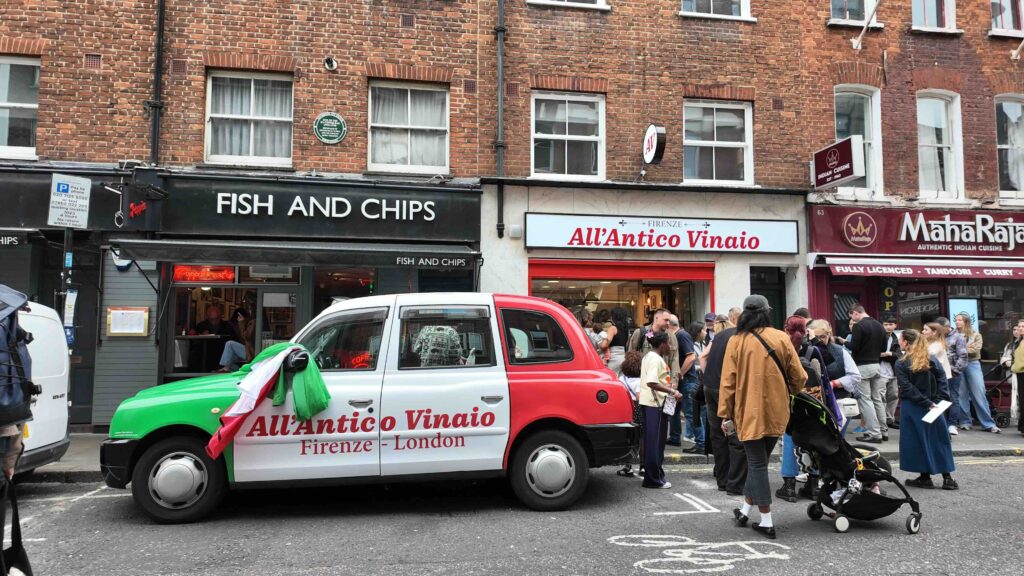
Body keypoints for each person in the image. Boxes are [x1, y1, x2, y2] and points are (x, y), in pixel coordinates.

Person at [720, 295, 806, 540]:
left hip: (748, 412)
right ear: (767, 312)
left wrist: (726, 416)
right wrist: (789, 389)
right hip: (778, 410)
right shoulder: (780, 337)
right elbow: (799, 376)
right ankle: (746, 511)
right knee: (759, 462)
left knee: (756, 464)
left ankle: (767, 521)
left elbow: (728, 383)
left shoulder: (736, 340)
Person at [896, 329, 958, 491]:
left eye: (901, 339)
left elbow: (907, 388)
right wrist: (938, 401)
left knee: (917, 441)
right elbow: (943, 381)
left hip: (913, 406)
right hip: (935, 405)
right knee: (939, 440)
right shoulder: (932, 359)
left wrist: (926, 402)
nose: (899, 341)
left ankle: (925, 478)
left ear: (906, 343)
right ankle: (947, 479)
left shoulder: (901, 363)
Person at [702, 317, 746, 494]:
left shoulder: (720, 335)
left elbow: (702, 356)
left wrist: (707, 376)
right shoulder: (742, 337)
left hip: (710, 386)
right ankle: (734, 484)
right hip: (725, 388)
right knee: (734, 436)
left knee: (718, 435)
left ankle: (722, 480)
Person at [639, 331, 683, 489]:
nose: (670, 347)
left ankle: (655, 476)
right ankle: (653, 479)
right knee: (655, 443)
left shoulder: (649, 356)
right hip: (654, 404)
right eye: (668, 343)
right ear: (662, 343)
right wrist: (672, 391)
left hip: (650, 403)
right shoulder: (656, 359)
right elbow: (652, 382)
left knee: (653, 441)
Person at [776, 310, 810, 503]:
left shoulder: (781, 349)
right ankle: (813, 484)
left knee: (789, 440)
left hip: (788, 400)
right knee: (813, 441)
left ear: (785, 329)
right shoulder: (814, 349)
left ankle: (789, 487)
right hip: (812, 402)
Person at [954, 313, 1000, 434]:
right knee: (961, 394)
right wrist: (965, 348)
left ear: (966, 322)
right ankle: (964, 422)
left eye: (960, 320)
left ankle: (988, 423)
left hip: (972, 364)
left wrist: (959, 348)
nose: (957, 322)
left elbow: (975, 350)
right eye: (956, 320)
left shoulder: (975, 334)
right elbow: (949, 349)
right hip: (958, 365)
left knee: (979, 393)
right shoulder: (953, 334)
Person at [847, 305, 887, 443]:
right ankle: (883, 431)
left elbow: (854, 346)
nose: (852, 319)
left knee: (865, 400)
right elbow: (883, 348)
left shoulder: (859, 326)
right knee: (877, 399)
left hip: (862, 366)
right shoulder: (879, 325)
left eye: (852, 316)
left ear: (856, 313)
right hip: (876, 365)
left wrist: (844, 342)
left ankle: (874, 434)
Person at [628, 308, 680, 384]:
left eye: (669, 321)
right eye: (666, 320)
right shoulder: (640, 333)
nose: (668, 323)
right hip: (642, 380)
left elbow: (675, 360)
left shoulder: (671, 337)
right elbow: (630, 357)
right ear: (656, 318)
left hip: (664, 381)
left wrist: (674, 382)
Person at [935, 316, 967, 436]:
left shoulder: (958, 337)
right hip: (938, 373)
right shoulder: (937, 337)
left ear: (947, 327)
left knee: (953, 397)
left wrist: (955, 371)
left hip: (953, 373)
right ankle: (941, 423)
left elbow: (963, 356)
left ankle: (952, 424)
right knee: (940, 397)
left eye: (939, 329)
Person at [617, 350, 644, 478]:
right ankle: (643, 466)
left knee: (630, 440)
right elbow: (640, 396)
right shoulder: (641, 380)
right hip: (640, 410)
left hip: (627, 410)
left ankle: (628, 467)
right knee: (642, 439)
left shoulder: (621, 379)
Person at [682, 321, 706, 454]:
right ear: (697, 331)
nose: (705, 332)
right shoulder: (691, 343)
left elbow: (695, 360)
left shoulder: (701, 343)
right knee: (694, 413)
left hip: (695, 380)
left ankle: (701, 442)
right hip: (694, 380)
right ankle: (701, 442)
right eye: (703, 330)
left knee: (695, 413)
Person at [194, 304, 237, 372]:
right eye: (211, 319)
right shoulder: (201, 325)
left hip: (221, 353)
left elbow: (233, 339)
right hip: (205, 355)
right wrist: (202, 335)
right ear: (207, 317)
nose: (214, 322)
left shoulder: (227, 326)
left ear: (220, 317)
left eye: (216, 319)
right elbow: (194, 340)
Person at [880, 316, 902, 429]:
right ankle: (882, 421)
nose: (888, 327)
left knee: (893, 396)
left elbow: (900, 355)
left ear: (895, 325)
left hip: (893, 372)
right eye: (886, 324)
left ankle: (890, 419)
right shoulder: (878, 337)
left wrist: (889, 354)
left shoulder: (895, 338)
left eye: (891, 324)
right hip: (880, 372)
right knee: (881, 396)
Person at [605, 307, 630, 375]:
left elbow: (605, 344)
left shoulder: (613, 328)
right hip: (623, 357)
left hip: (613, 357)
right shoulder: (626, 330)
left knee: (611, 379)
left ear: (614, 317)